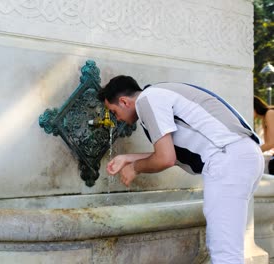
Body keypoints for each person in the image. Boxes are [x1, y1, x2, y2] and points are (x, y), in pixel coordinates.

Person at [97, 76, 263, 264]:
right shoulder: (160, 93)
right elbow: (172, 156)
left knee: (225, 253)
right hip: (244, 155)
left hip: (227, 159)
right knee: (226, 246)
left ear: (124, 101)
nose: (116, 119)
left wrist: (135, 168)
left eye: (114, 111)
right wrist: (127, 158)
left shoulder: (147, 100)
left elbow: (165, 159)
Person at [253, 95, 274, 174]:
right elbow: (268, 143)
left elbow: (271, 143)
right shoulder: (264, 118)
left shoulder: (270, 113)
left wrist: (253, 151)